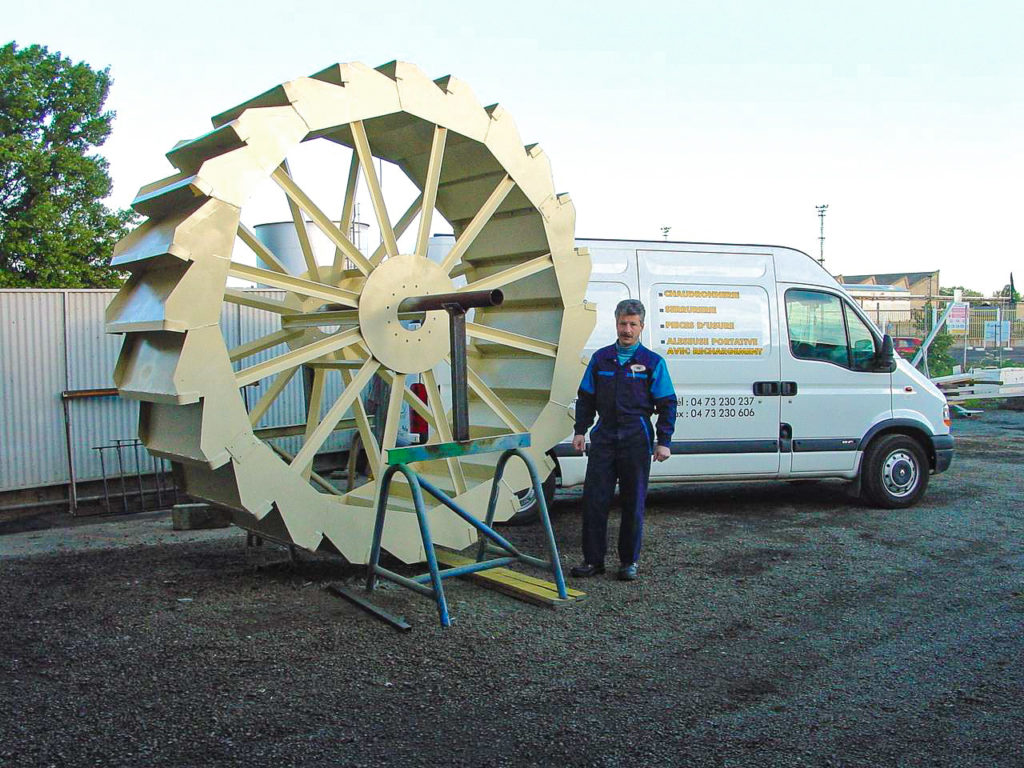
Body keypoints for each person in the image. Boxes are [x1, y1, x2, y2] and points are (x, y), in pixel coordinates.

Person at [570, 299, 676, 581]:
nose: (626, 330)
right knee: (594, 500)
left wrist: (663, 440)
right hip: (605, 436)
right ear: (615, 324)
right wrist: (580, 430)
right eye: (622, 324)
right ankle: (593, 561)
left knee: (633, 501)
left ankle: (629, 561)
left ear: (641, 327)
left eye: (632, 324)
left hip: (636, 436)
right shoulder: (601, 359)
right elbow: (586, 398)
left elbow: (667, 403)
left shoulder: (653, 362)